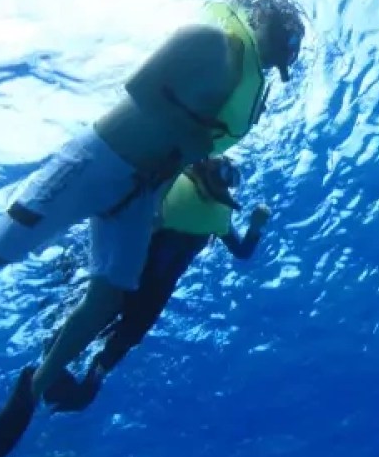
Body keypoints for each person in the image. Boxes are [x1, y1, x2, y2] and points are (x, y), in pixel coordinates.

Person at [0, 0, 306, 457]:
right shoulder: (209, 41)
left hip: (142, 194)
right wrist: (192, 135)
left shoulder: (245, 93)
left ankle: (33, 390)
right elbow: (140, 88)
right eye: (285, 44)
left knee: (109, 298)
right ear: (264, 18)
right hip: (98, 162)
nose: (279, 60)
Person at [39, 154, 268, 412]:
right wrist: (255, 227)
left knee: (127, 331)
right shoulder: (175, 186)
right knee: (104, 316)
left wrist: (255, 227)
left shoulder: (214, 213)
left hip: (149, 285)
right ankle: (55, 355)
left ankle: (87, 378)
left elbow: (242, 251)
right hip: (133, 273)